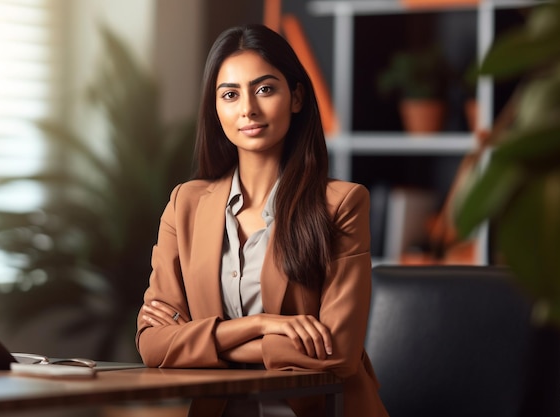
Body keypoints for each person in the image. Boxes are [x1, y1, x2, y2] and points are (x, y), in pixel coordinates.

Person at [136, 23, 388, 417]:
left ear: (297, 97)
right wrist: (263, 325)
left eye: (265, 89)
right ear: (215, 107)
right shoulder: (184, 205)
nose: (248, 109)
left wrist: (198, 341)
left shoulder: (341, 204)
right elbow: (152, 345)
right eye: (230, 95)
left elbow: (338, 352)